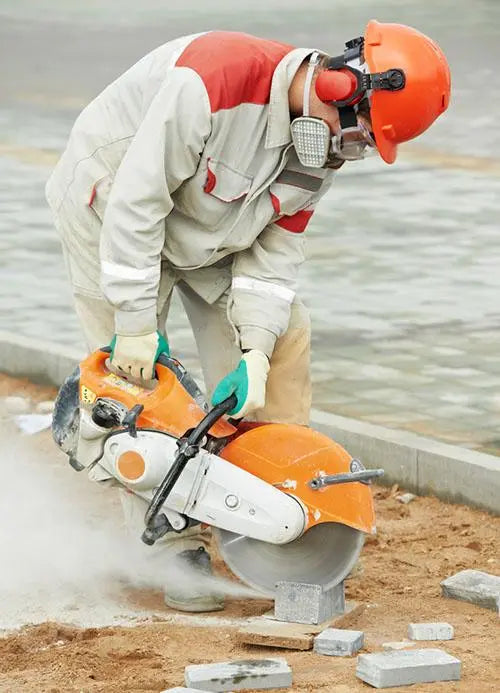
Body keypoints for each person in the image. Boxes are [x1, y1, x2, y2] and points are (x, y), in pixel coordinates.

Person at [46, 20, 451, 611]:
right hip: (111, 211)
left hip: (214, 231)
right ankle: (169, 546)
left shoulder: (322, 147)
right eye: (359, 130)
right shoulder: (213, 82)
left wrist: (255, 354)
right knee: (136, 386)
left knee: (285, 332)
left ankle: (286, 507)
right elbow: (138, 205)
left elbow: (274, 257)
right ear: (340, 84)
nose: (352, 148)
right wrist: (134, 328)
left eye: (367, 143)